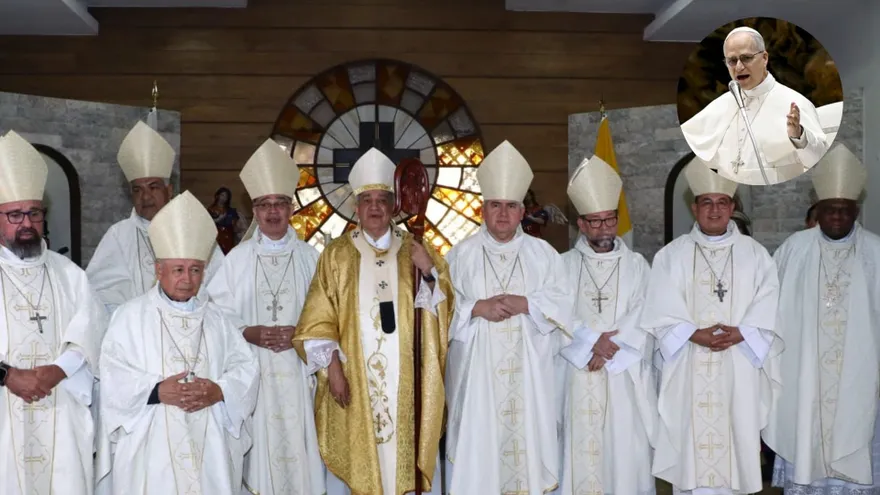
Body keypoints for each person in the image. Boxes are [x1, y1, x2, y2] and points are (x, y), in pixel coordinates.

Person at [292, 148, 453, 495]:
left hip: (407, 381)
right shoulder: (336, 255)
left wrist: (427, 271)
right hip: (355, 381)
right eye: (367, 200)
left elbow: (443, 311)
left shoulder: (416, 248)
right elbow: (318, 319)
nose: (375, 207)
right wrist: (332, 369)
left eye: (383, 199)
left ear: (394, 205)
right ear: (356, 206)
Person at [98, 190, 259, 495]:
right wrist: (156, 391)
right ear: (159, 271)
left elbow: (246, 369)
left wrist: (219, 390)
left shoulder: (218, 320)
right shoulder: (129, 317)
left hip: (209, 444)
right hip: (151, 443)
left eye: (195, 269)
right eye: (178, 269)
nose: (187, 278)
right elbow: (111, 375)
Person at [640, 157, 782, 494]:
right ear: (694, 207)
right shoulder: (670, 257)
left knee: (737, 442)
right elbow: (659, 310)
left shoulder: (756, 254)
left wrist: (742, 332)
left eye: (722, 203)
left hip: (739, 366)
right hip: (689, 364)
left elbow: (770, 304)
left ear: (732, 206)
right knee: (691, 454)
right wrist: (693, 333)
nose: (715, 210)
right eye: (707, 202)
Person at [445, 140, 572, 495]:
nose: (502, 214)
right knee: (480, 459)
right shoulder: (460, 255)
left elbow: (564, 306)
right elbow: (438, 311)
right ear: (482, 210)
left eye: (510, 206)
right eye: (495, 205)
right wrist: (475, 308)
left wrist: (527, 303)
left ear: (522, 211)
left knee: (527, 456)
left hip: (529, 383)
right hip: (478, 383)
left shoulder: (544, 255)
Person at [206, 139, 325, 495]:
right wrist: (248, 332)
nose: (273, 212)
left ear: (292, 208)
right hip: (252, 374)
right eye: (264, 205)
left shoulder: (312, 258)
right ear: (254, 211)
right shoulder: (236, 262)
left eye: (280, 204)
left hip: (300, 375)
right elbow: (214, 314)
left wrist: (302, 334)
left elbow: (331, 315)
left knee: (301, 455)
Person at [765, 143, 880, 494]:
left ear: (856, 210)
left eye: (845, 211)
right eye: (830, 210)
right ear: (819, 209)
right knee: (806, 442)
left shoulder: (876, 252)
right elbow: (771, 313)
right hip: (805, 380)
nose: (837, 218)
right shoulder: (793, 250)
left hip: (862, 380)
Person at [0, 130, 107, 494]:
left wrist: (58, 370)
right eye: (15, 214)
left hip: (59, 402)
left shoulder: (70, 275)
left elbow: (92, 329)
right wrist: (7, 375)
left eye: (34, 213)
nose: (26, 223)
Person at [556, 155, 657, 495]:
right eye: (594, 222)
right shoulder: (562, 266)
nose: (603, 229)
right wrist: (588, 344)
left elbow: (647, 311)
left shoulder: (637, 266)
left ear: (618, 220)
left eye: (609, 220)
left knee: (623, 456)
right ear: (581, 224)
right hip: (576, 373)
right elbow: (555, 313)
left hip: (623, 378)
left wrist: (610, 349)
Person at [86, 121, 224, 315]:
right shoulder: (119, 235)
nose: (146, 196)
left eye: (153, 187)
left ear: (169, 190)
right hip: (138, 338)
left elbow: (221, 291)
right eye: (137, 190)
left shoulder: (195, 231)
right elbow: (100, 296)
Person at [681, 26, 828, 185]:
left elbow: (818, 158)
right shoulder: (721, 105)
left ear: (764, 58)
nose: (739, 67)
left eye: (746, 58)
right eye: (732, 61)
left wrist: (799, 136)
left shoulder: (794, 103)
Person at [208, 187, 247, 254]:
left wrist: (237, 228)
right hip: (217, 235)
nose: (224, 198)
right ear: (217, 196)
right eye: (222, 195)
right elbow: (209, 223)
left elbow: (235, 225)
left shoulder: (231, 211)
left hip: (229, 235)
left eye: (226, 196)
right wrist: (219, 219)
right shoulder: (211, 209)